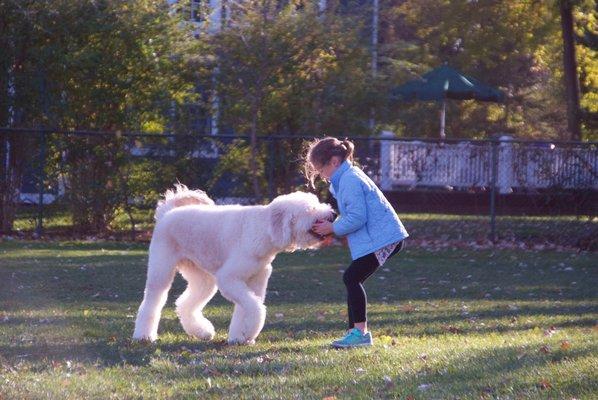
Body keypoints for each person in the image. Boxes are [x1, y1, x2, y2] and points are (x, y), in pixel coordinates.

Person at [304, 136, 409, 348]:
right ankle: (355, 332)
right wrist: (332, 225)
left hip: (384, 238)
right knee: (352, 278)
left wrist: (332, 228)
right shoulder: (345, 178)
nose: (320, 175)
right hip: (380, 237)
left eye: (321, 169)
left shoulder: (350, 180)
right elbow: (353, 214)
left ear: (334, 161)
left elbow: (357, 218)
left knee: (352, 278)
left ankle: (360, 333)